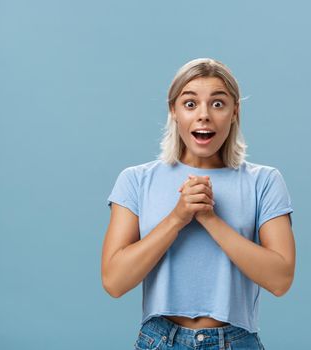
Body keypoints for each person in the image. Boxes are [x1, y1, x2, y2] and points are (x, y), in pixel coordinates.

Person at [102, 58, 295, 349]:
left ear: (234, 112)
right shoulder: (136, 180)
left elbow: (280, 280)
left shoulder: (264, 181)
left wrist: (210, 219)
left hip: (235, 341)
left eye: (218, 104)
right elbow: (114, 282)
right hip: (160, 340)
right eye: (190, 104)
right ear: (173, 111)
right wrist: (177, 218)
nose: (204, 115)